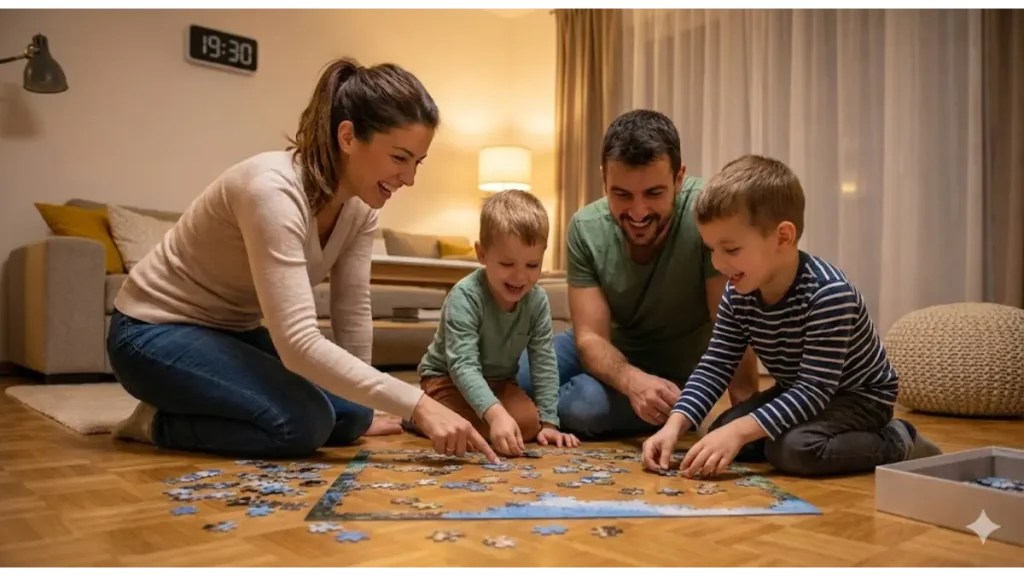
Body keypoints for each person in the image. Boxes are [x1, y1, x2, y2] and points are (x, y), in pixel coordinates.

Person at [105, 57, 499, 464]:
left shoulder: (361, 208)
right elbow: (297, 344)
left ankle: (208, 404)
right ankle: (154, 423)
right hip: (150, 333)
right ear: (348, 136)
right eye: (399, 158)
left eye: (417, 162)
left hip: (230, 334)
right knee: (302, 423)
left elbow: (352, 310)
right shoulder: (270, 190)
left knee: (349, 419)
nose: (410, 178)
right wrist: (418, 405)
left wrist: (362, 405)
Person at [642, 154, 943, 478]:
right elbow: (716, 364)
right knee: (722, 430)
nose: (717, 263)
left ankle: (899, 440)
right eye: (710, 249)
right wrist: (674, 425)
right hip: (797, 388)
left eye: (730, 250)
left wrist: (744, 430)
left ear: (783, 237)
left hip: (859, 398)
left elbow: (814, 390)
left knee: (793, 450)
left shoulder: (829, 293)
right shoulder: (738, 292)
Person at [517, 109, 760, 439]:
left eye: (654, 194)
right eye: (622, 195)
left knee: (583, 408)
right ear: (604, 180)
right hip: (604, 348)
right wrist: (630, 380)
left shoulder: (707, 215)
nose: (639, 212)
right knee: (512, 372)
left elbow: (732, 328)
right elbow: (591, 338)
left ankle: (520, 415)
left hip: (674, 368)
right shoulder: (585, 227)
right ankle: (475, 410)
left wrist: (744, 414)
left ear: (679, 178)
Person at [409, 189, 581, 457]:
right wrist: (496, 413)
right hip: (446, 380)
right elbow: (462, 365)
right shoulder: (465, 296)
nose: (520, 276)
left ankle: (468, 419)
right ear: (481, 254)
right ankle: (419, 415)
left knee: (527, 424)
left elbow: (544, 361)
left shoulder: (537, 300)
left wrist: (549, 423)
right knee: (469, 430)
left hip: (500, 381)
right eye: (507, 263)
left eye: (532, 265)